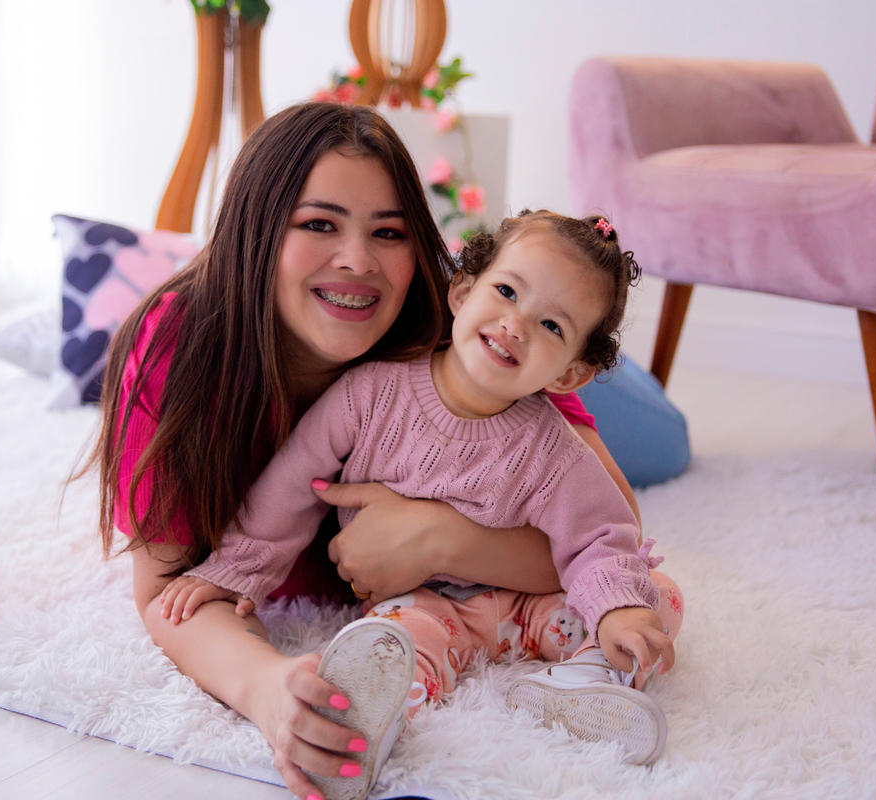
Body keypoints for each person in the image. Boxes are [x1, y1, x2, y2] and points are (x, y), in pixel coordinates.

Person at [91, 102, 677, 800]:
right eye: (319, 223)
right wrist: (269, 689)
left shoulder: (484, 337)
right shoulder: (182, 351)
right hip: (422, 597)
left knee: (665, 446)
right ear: (257, 227)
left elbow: (611, 527)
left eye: (389, 232)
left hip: (544, 407)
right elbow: (168, 594)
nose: (358, 261)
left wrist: (441, 539)